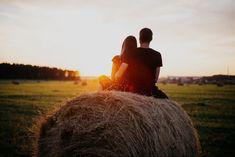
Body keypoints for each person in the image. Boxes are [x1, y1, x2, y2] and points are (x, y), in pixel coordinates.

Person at [127, 28, 168, 98]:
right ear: (151, 39)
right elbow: (155, 79)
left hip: (133, 90)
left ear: (139, 38)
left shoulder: (131, 53)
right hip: (149, 90)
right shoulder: (157, 55)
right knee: (168, 102)